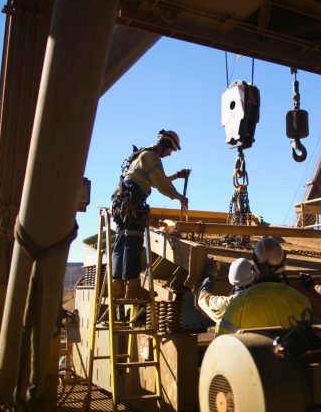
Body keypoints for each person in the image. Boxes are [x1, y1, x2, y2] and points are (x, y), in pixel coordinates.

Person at [110, 129, 189, 299]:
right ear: (167, 144)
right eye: (171, 151)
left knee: (122, 241)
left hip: (122, 202)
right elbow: (161, 185)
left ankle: (117, 286)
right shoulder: (152, 157)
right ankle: (132, 287)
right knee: (133, 242)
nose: (169, 155)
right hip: (133, 201)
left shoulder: (142, 155)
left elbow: (153, 180)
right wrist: (180, 197)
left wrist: (176, 176)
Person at [218, 237, 312, 334]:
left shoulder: (239, 303)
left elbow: (222, 341)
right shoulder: (301, 301)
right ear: (283, 264)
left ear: (254, 265)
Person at [198, 257, 258, 324]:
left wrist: (210, 275)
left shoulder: (226, 303)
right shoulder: (263, 300)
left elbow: (203, 300)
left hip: (227, 334)